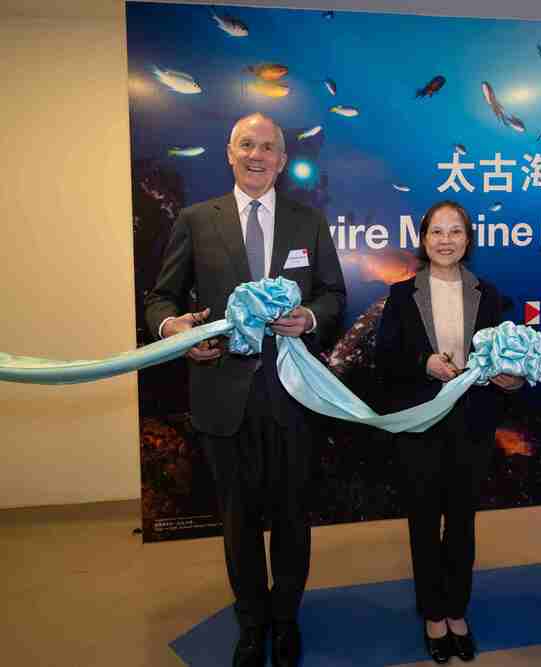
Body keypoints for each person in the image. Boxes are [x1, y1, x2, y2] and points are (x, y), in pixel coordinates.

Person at [145, 113, 346, 667]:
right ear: (229, 153)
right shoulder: (195, 220)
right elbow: (160, 300)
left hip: (292, 393)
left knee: (290, 516)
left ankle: (285, 622)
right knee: (236, 520)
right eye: (247, 145)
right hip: (221, 392)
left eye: (269, 148)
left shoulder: (309, 220)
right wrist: (173, 332)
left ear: (283, 161)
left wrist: (309, 315)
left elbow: (333, 293)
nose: (258, 155)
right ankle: (251, 623)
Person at [375, 201, 523, 664]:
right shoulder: (402, 296)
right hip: (419, 422)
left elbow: (508, 360)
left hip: (471, 424)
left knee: (461, 522)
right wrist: (424, 363)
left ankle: (457, 610)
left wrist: (510, 376)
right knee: (423, 521)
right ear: (423, 240)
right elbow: (385, 358)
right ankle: (432, 614)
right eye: (436, 232)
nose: (445, 240)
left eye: (455, 232)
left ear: (467, 239)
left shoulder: (491, 295)